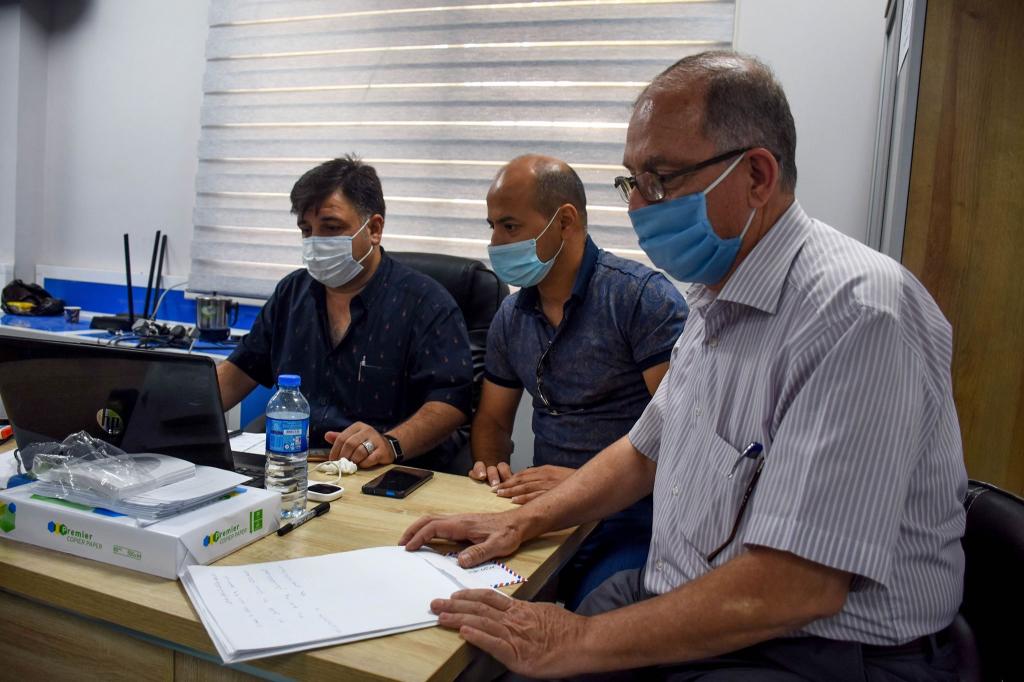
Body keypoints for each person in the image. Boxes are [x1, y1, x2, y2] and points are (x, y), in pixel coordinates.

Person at [401, 51, 966, 680]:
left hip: (811, 650)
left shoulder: (857, 313)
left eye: (661, 179)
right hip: (698, 600)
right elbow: (644, 452)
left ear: (756, 175)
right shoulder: (716, 296)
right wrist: (517, 522)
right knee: (478, 655)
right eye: (632, 181)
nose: (638, 206)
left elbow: (796, 587)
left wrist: (575, 640)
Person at [471, 154, 687, 609]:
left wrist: (581, 484)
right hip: (542, 513)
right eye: (492, 227)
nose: (495, 243)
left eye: (509, 227)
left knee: (595, 613)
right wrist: (491, 470)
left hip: (629, 517)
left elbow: (683, 437)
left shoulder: (640, 298)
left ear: (565, 221)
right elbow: (492, 422)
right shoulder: (510, 316)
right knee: (466, 601)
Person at [217, 156, 474, 472]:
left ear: (374, 229)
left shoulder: (426, 303)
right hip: (297, 467)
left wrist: (390, 444)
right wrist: (175, 411)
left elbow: (450, 403)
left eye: (331, 228)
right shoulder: (291, 294)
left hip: (385, 471)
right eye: (306, 230)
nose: (315, 242)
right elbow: (237, 373)